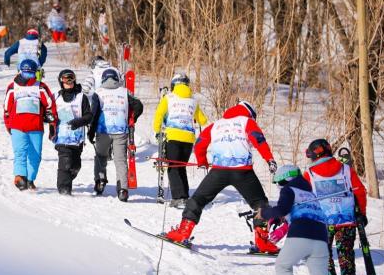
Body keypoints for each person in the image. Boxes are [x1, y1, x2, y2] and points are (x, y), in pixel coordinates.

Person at [164, 101, 278, 254]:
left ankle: (183, 232)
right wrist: (269, 159)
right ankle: (262, 241)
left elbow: (200, 144)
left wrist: (202, 162)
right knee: (260, 203)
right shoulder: (247, 121)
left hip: (218, 172)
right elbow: (259, 139)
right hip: (242, 172)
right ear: (249, 113)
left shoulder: (216, 125)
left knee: (198, 200)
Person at [303, 139, 367, 275]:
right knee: (346, 254)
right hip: (346, 220)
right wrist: (361, 213)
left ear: (314, 156)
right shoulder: (346, 169)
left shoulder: (309, 174)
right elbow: (359, 191)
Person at [256, 164, 328, 275]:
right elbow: (301, 210)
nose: (279, 186)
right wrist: (280, 217)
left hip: (301, 234)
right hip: (321, 238)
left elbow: (282, 209)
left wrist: (264, 213)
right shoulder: (311, 194)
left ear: (287, 179)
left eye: (279, 182)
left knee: (283, 266)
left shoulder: (288, 189)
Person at [152, 73, 208, 207]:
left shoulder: (168, 97)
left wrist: (158, 130)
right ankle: (184, 196)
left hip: (173, 137)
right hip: (188, 139)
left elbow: (159, 114)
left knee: (173, 167)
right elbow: (203, 120)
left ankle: (178, 198)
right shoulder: (193, 100)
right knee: (181, 166)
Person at [88, 68, 143, 202]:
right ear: (117, 79)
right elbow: (139, 106)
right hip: (121, 131)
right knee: (120, 160)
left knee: (101, 157)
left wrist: (91, 132)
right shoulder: (125, 92)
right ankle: (123, 190)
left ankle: (100, 182)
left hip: (103, 131)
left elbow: (93, 113)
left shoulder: (98, 93)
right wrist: (132, 118)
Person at [3, 59, 57, 191]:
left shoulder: (41, 87)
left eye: (31, 74)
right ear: (20, 72)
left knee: (35, 155)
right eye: (26, 73)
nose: (28, 77)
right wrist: (8, 124)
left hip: (35, 127)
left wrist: (52, 123)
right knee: (20, 152)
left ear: (36, 73)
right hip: (17, 126)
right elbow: (6, 108)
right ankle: (20, 177)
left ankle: (30, 179)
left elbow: (50, 106)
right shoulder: (13, 87)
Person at [53, 69, 93, 195]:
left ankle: (66, 179)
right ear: (61, 81)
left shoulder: (82, 97)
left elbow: (89, 116)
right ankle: (64, 189)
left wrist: (78, 122)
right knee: (65, 163)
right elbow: (48, 113)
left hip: (77, 139)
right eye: (65, 80)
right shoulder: (56, 97)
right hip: (62, 138)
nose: (69, 82)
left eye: (71, 79)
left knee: (75, 166)